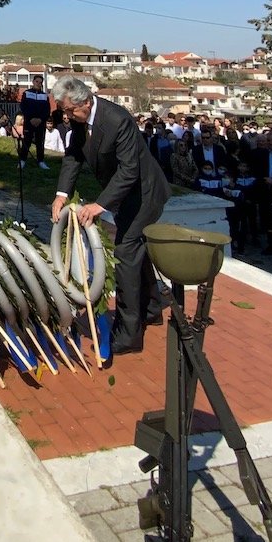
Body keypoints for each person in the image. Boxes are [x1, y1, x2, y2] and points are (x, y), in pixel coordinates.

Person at [50, 75, 171, 355]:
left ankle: (128, 335)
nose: (66, 116)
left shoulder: (117, 120)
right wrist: (61, 194)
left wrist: (99, 205)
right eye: (63, 111)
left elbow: (130, 170)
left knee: (125, 254)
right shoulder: (80, 122)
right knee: (135, 250)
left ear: (86, 102)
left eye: (69, 110)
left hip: (144, 194)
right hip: (123, 196)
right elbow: (73, 157)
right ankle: (151, 309)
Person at [19, 74, 51, 169]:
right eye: (37, 82)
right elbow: (23, 107)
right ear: (33, 82)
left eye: (40, 82)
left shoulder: (45, 96)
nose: (38, 84)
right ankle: (22, 160)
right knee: (26, 141)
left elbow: (47, 110)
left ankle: (40, 161)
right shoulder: (27, 93)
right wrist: (30, 118)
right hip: (29, 122)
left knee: (40, 142)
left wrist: (41, 119)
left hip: (40, 123)